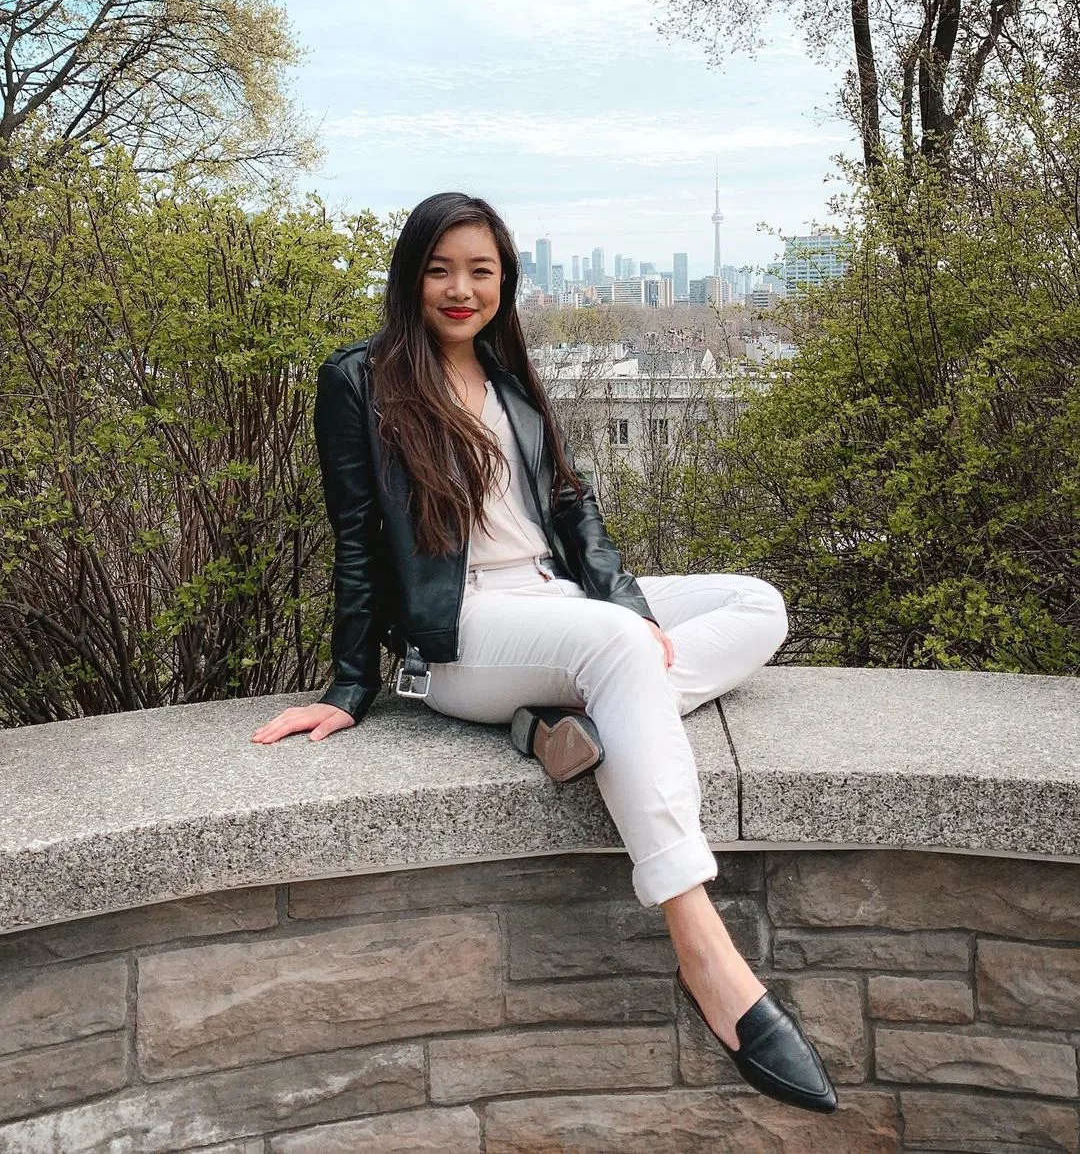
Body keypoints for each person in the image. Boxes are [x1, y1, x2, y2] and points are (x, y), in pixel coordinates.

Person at [252, 192, 838, 1115]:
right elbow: (357, 537)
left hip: (557, 605)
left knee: (756, 604)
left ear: (505, 283)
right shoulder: (360, 381)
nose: (460, 288)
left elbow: (574, 513)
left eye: (481, 270)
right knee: (618, 648)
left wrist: (631, 611)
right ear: (411, 275)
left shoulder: (512, 382)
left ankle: (565, 721)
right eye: (441, 268)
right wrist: (350, 686)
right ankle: (701, 940)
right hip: (465, 633)